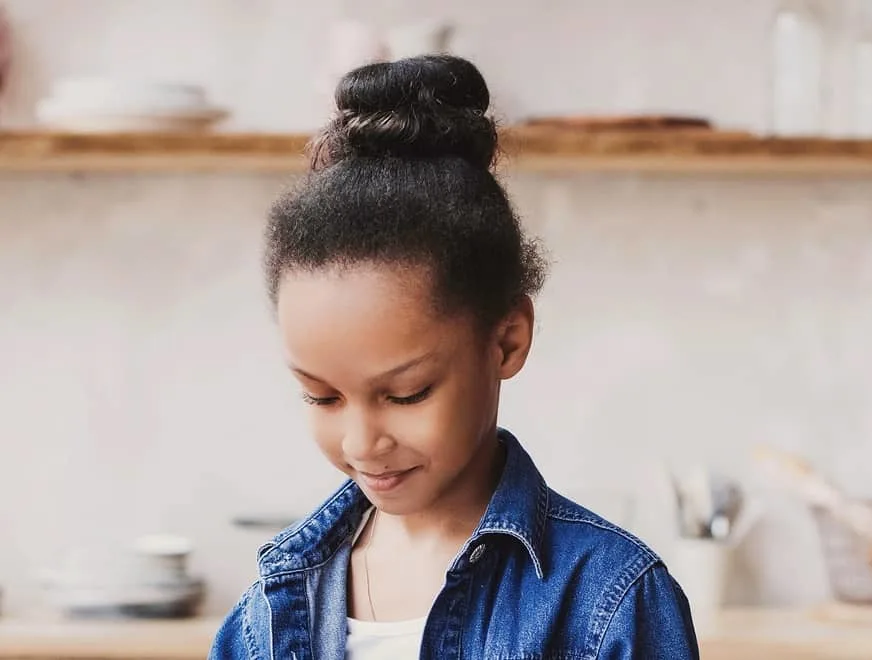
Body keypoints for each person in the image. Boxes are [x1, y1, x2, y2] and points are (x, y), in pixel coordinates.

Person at [210, 54, 699, 660]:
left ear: (507, 341)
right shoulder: (270, 606)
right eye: (323, 396)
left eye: (406, 393)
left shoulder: (610, 599)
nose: (362, 443)